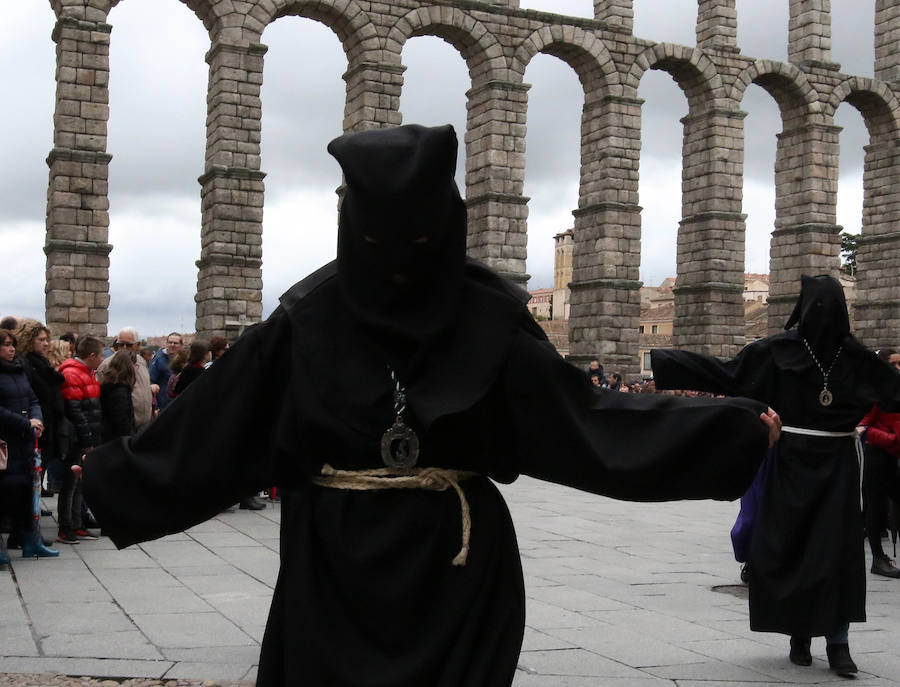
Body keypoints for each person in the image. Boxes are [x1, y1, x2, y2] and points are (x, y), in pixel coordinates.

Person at [83, 124, 780, 687]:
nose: (396, 268)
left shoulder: (491, 322)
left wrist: (728, 431)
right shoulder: (304, 322)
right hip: (335, 579)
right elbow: (216, 427)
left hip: (456, 576)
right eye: (376, 245)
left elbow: (583, 423)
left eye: (417, 246)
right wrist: (112, 475)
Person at [651, 274, 900, 678]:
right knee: (792, 546)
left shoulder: (856, 358)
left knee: (837, 552)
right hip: (791, 461)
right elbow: (728, 374)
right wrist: (668, 362)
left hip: (836, 464)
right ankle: (799, 634)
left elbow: (895, 392)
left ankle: (839, 642)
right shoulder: (777, 352)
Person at [0, 329, 56, 560]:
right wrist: (25, 422)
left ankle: (30, 541)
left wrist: (37, 419)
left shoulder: (20, 370)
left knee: (27, 494)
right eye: (5, 345)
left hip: (25, 440)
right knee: (4, 493)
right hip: (5, 441)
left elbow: (33, 398)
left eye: (13, 344)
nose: (11, 349)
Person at [858, 348, 900, 578]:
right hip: (878, 454)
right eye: (894, 364)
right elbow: (863, 425)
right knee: (874, 505)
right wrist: (890, 439)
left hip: (893, 454)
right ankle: (878, 558)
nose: (898, 367)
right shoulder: (875, 390)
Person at [58, 335, 104, 544]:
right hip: (77, 436)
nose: (102, 359)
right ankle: (66, 526)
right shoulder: (73, 373)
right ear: (92, 355)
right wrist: (87, 438)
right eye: (100, 355)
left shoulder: (87, 372)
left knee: (79, 483)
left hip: (86, 433)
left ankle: (77, 524)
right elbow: (75, 410)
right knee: (70, 484)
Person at [15, 320, 66, 496]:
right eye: (41, 339)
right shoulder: (25, 364)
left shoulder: (41, 363)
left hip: (47, 423)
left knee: (40, 468)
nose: (46, 343)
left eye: (46, 339)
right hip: (35, 424)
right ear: (29, 339)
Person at [97, 327, 155, 430]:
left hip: (144, 425)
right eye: (120, 344)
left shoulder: (141, 361)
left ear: (137, 345)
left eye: (128, 345)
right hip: (122, 427)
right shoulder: (107, 364)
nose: (124, 348)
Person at [100, 350, 136, 442]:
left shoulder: (110, 385)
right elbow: (121, 419)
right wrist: (131, 439)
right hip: (118, 440)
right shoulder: (120, 391)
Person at [149, 332, 183, 411]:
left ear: (181, 345)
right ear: (166, 343)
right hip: (163, 404)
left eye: (175, 343)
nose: (172, 345)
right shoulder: (158, 359)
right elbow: (151, 381)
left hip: (178, 403)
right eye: (170, 342)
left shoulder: (183, 358)